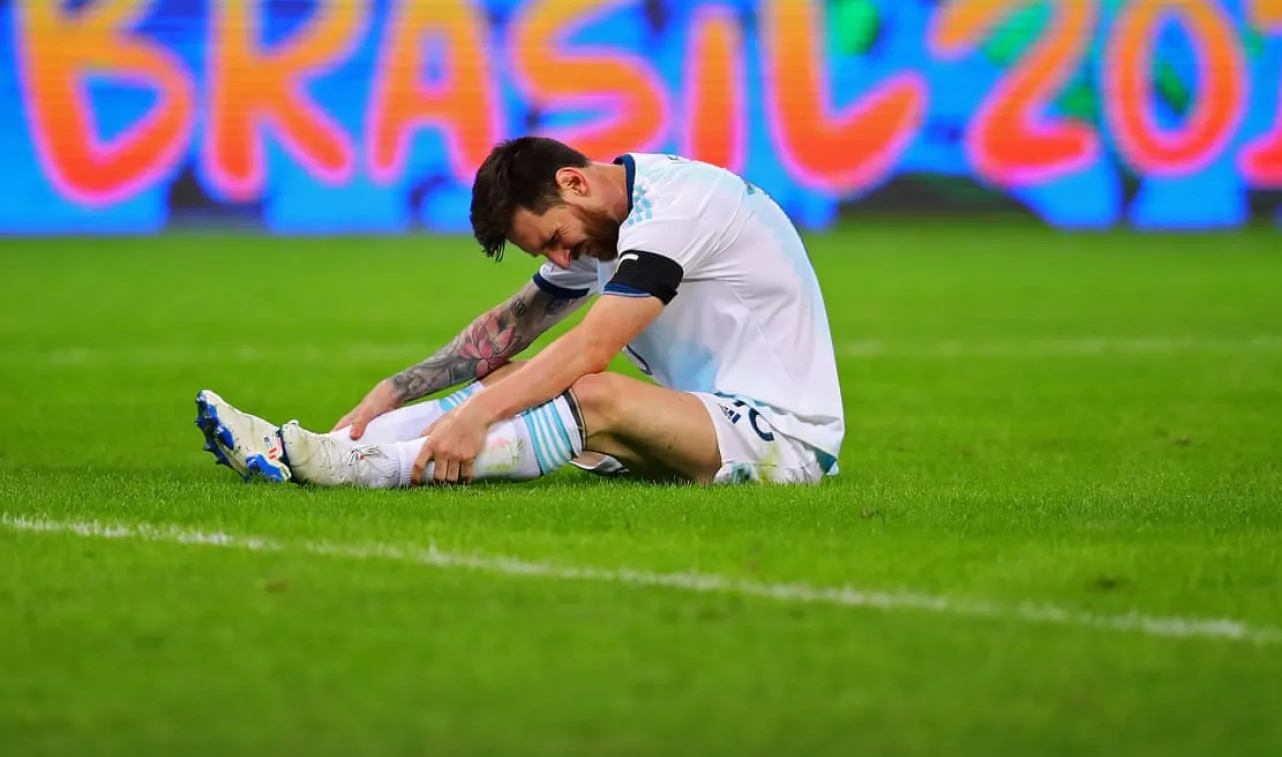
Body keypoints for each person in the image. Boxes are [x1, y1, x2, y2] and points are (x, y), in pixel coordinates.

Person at [194, 137, 845, 488]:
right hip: (711, 423)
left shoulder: (678, 209)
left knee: (591, 393)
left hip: (784, 443)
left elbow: (591, 351)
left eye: (557, 240)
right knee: (509, 377)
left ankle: (361, 470)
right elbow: (508, 328)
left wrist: (473, 419)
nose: (564, 260)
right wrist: (386, 396)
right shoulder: (607, 221)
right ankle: (307, 446)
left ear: (574, 182)